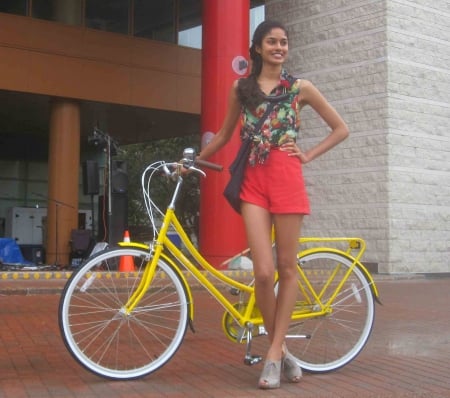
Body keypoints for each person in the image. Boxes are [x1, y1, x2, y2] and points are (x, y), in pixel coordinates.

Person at [196, 20, 349, 389]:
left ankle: (275, 353)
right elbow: (224, 133)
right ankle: (280, 351)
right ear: (258, 48)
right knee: (263, 272)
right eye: (272, 42)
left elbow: (341, 128)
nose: (279, 47)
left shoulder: (301, 88)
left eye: (283, 42)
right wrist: (194, 161)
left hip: (287, 179)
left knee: (287, 267)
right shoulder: (241, 88)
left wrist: (308, 154)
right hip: (253, 182)